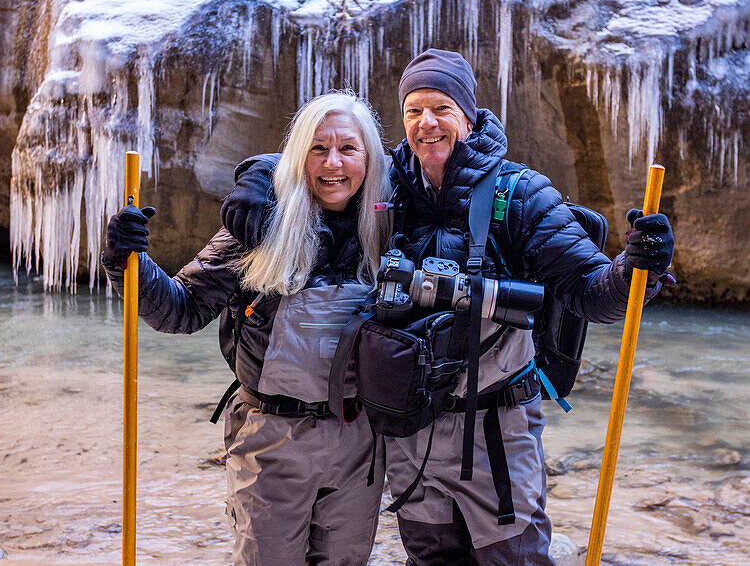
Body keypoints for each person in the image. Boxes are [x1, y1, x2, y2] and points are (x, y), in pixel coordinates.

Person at [223, 49, 676, 565]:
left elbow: (590, 290)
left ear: (467, 113)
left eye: (440, 107)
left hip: (494, 433)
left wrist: (637, 267)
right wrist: (259, 176)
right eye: (414, 110)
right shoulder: (388, 184)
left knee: (516, 559)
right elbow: (325, 163)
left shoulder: (520, 195)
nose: (427, 123)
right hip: (411, 435)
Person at [100, 91, 391, 566]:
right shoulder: (259, 227)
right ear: (298, 156)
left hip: (359, 440)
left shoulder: (391, 228)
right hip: (271, 439)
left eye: (347, 149)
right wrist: (125, 259)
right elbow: (180, 308)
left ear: (370, 158)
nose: (332, 163)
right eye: (317, 148)